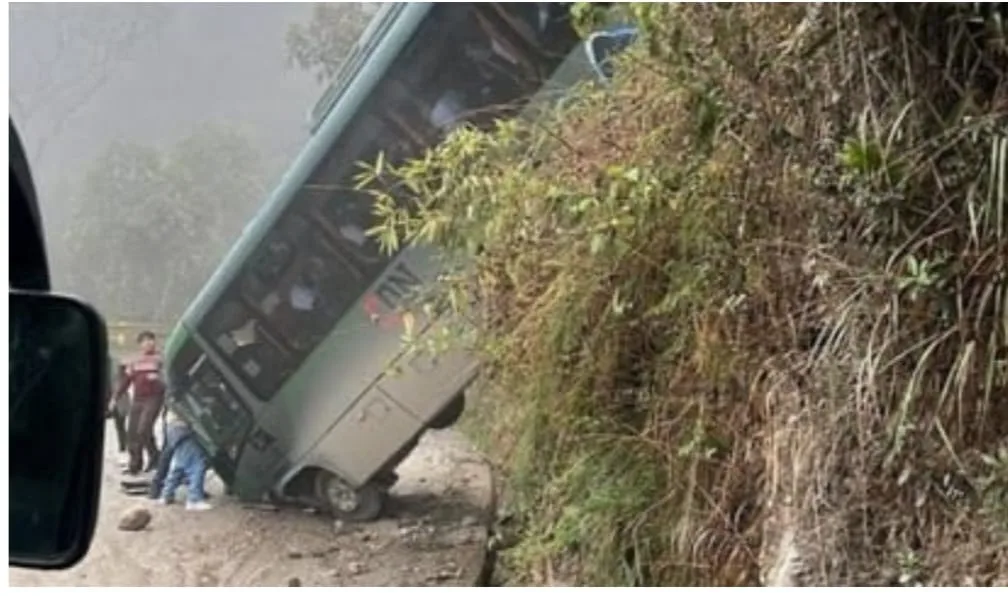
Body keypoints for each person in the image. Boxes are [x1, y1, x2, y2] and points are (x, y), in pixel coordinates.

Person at [113, 330, 165, 475]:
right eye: (146, 340)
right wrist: (115, 398)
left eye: (151, 340)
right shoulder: (135, 361)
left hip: (154, 398)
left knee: (143, 428)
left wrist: (158, 378)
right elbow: (126, 381)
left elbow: (168, 379)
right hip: (138, 399)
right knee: (133, 433)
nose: (149, 343)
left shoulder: (160, 360)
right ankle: (135, 465)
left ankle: (154, 458)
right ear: (140, 344)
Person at [158, 417, 213, 511]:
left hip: (174, 428)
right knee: (196, 466)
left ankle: (166, 495)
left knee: (178, 466)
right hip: (185, 429)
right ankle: (194, 500)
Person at [107, 362, 130, 464]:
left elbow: (118, 390)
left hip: (120, 404)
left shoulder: (122, 378)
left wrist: (112, 401)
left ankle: (123, 447)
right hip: (118, 404)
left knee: (120, 427)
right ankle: (122, 447)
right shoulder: (118, 377)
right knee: (120, 427)